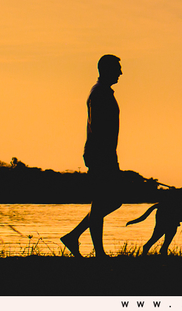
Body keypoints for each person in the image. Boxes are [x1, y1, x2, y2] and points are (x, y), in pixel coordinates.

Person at [61, 54, 124, 256]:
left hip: (104, 153)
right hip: (101, 154)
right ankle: (98, 252)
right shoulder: (99, 93)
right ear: (106, 69)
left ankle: (74, 237)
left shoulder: (102, 92)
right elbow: (97, 127)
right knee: (103, 201)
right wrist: (103, 156)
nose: (121, 73)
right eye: (117, 69)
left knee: (111, 200)